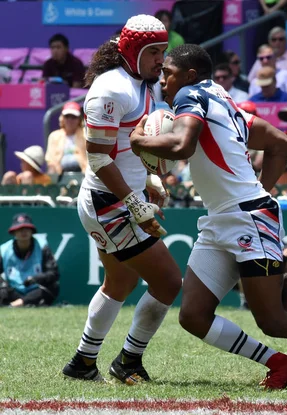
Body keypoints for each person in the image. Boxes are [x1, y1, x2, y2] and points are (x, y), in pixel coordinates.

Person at [128, 43, 287, 389]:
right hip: (223, 218)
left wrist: (139, 141)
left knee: (271, 320)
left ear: (190, 76)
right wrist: (262, 190)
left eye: (168, 73)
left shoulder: (190, 95)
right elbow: (280, 143)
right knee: (193, 316)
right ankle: (280, 363)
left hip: (246, 218)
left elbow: (182, 146)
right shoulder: (224, 100)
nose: (163, 80)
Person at [61, 14, 182, 385]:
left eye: (163, 52)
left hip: (116, 198)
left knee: (119, 283)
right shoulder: (110, 89)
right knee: (169, 282)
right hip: (109, 202)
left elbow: (128, 146)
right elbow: (97, 157)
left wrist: (148, 176)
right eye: (154, 52)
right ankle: (128, 360)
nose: (160, 61)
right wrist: (135, 201)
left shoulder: (142, 82)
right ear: (133, 50)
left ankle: (82, 363)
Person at [0, 214, 59, 307]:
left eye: (27, 229)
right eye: (19, 229)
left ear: (32, 231)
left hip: (35, 289)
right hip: (14, 291)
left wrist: (36, 278)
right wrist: (3, 284)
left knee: (53, 286)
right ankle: (25, 303)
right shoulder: (3, 250)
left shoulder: (42, 246)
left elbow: (54, 273)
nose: (23, 232)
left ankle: (14, 305)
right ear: (13, 232)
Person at [45, 101, 87, 175]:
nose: (70, 120)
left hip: (83, 172)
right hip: (59, 172)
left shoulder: (86, 134)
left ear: (79, 119)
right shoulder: (54, 136)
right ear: (62, 118)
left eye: (73, 117)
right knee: (51, 169)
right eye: (67, 116)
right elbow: (50, 160)